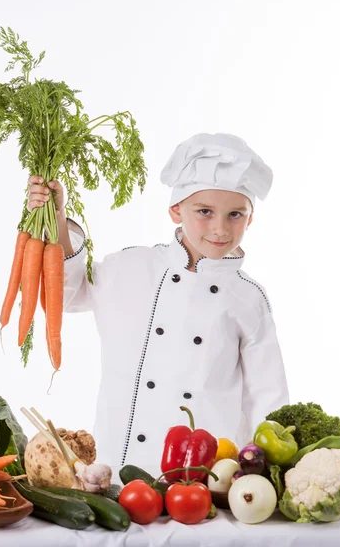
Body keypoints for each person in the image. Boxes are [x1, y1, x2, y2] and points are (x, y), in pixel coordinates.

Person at [27, 132, 289, 474]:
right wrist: (57, 219)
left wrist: (267, 474)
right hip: (116, 473)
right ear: (176, 210)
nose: (220, 228)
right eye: (205, 211)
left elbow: (267, 397)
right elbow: (68, 295)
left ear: (250, 218)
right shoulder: (129, 268)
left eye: (235, 215)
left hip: (207, 478)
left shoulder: (249, 298)